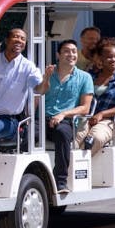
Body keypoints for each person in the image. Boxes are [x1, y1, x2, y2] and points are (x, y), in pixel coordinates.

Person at [36, 39, 93, 195]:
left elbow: (85, 108)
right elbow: (38, 93)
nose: (71, 54)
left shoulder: (85, 77)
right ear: (58, 55)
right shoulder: (47, 72)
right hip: (41, 120)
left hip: (66, 120)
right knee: (24, 135)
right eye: (67, 51)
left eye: (74, 51)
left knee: (62, 134)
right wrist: (46, 78)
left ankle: (60, 181)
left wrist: (63, 114)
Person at [0, 28, 43, 161]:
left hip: (10, 121)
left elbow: (40, 89)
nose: (19, 41)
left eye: (23, 39)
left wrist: (47, 78)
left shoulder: (28, 66)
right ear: (6, 41)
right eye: (16, 37)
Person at [76, 37, 115, 155]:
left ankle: (81, 166)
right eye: (109, 57)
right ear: (101, 59)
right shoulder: (90, 77)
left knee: (94, 139)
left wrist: (101, 114)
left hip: (110, 121)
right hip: (87, 119)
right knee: (75, 139)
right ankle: (70, 169)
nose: (113, 60)